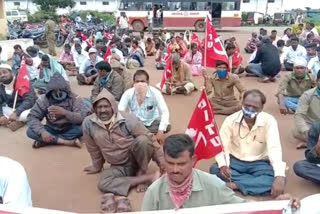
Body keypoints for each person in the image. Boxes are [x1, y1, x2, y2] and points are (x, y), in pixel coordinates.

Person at [142, 134, 299, 211]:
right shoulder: (153, 192)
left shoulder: (212, 184)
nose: (175, 170)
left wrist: (278, 204)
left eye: (181, 164)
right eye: (170, 163)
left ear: (193, 160)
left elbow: (243, 208)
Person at [82, 89, 164, 213]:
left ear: (113, 107)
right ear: (94, 108)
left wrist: (163, 162)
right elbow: (93, 148)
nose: (102, 110)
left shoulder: (128, 119)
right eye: (99, 107)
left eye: (106, 106)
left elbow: (151, 139)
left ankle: (141, 172)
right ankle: (148, 178)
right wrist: (96, 166)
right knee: (103, 183)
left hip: (136, 160)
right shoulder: (88, 124)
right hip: (117, 166)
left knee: (143, 140)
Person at [210, 89, 286, 197]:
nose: (250, 109)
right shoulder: (230, 120)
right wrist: (223, 166)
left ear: (261, 109)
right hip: (234, 161)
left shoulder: (269, 121)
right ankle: (253, 184)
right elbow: (222, 146)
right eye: (247, 105)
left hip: (259, 162)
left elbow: (274, 148)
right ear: (242, 103)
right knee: (215, 169)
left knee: (279, 178)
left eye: (255, 107)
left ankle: (236, 185)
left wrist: (279, 176)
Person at [27, 73, 88, 149]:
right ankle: (68, 142)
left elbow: (81, 118)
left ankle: (47, 141)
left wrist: (65, 113)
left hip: (69, 127)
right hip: (51, 128)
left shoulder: (75, 98)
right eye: (55, 91)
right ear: (50, 91)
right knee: (30, 131)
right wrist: (42, 132)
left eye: (61, 90)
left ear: (66, 89)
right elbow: (32, 117)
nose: (58, 93)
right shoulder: (44, 100)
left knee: (85, 127)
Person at [119, 69, 170, 145]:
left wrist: (161, 131)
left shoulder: (155, 93)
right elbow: (120, 111)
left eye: (143, 81)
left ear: (148, 82)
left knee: (167, 126)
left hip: (151, 123)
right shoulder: (128, 93)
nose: (140, 84)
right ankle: (146, 135)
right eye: (137, 81)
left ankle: (140, 135)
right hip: (135, 124)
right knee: (122, 128)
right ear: (133, 82)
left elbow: (165, 112)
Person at [0, 64, 36, 131]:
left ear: (11, 72)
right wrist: (1, 116)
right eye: (0, 74)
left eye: (5, 72)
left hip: (27, 109)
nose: (2, 75)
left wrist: (16, 113)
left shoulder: (23, 82)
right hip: (12, 109)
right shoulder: (1, 86)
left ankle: (18, 121)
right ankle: (11, 120)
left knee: (26, 115)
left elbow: (29, 100)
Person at [293, 71, 320, 149]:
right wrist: (306, 131)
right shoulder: (307, 95)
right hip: (312, 126)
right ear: (317, 81)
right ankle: (313, 142)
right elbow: (299, 115)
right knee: (296, 131)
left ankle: (311, 143)